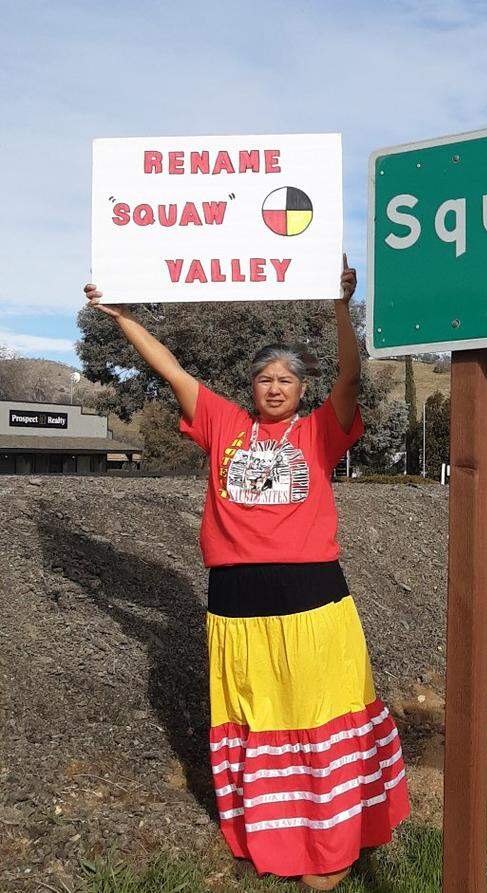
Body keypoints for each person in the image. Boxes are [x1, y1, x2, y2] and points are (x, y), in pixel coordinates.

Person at [82, 260, 409, 889]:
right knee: (258, 716)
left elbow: (349, 373)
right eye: (265, 378)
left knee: (320, 712)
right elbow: (171, 368)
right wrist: (122, 315)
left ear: (301, 390)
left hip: (313, 598)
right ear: (251, 388)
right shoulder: (222, 425)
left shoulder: (319, 431)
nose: (276, 385)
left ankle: (332, 844)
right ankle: (273, 837)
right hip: (235, 600)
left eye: (287, 378)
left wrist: (342, 306)